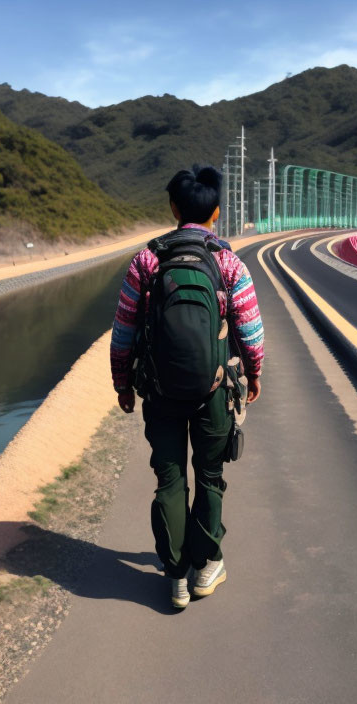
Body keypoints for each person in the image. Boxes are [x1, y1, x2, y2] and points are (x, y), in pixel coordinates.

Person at [110, 165, 264, 609]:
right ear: (216, 212)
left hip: (159, 391)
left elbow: (123, 330)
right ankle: (206, 566)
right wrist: (253, 375)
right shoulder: (228, 262)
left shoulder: (146, 260)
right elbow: (250, 332)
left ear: (173, 208)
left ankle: (175, 575)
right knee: (210, 476)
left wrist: (123, 383)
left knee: (170, 478)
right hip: (213, 390)